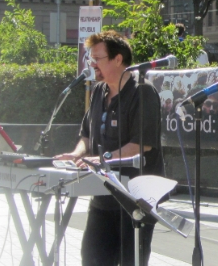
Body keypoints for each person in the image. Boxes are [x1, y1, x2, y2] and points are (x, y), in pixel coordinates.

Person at [55, 31, 162, 266]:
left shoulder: (142, 92)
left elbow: (140, 145)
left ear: (118, 59)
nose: (93, 64)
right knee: (92, 259)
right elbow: (86, 134)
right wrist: (77, 154)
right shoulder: (98, 92)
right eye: (90, 59)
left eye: (98, 59)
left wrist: (101, 159)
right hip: (102, 197)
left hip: (135, 201)